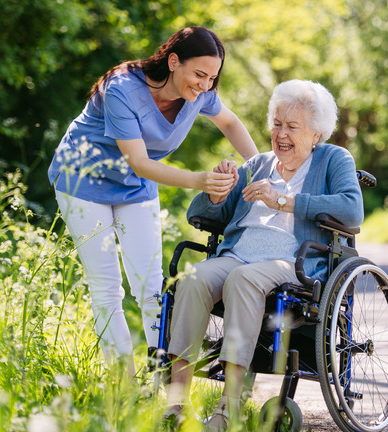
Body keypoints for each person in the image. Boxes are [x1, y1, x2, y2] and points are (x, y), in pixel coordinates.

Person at [47, 26, 258, 375]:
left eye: (212, 78)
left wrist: (263, 168)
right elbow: (140, 163)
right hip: (82, 181)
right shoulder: (122, 89)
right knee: (106, 286)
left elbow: (231, 123)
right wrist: (199, 180)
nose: (205, 85)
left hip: (134, 188)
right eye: (199, 75)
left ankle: (164, 377)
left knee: (150, 285)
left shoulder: (201, 94)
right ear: (173, 61)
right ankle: (123, 383)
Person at [165, 79, 364, 432]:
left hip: (293, 261)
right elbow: (204, 216)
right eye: (276, 124)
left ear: (315, 134)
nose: (281, 134)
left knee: (244, 279)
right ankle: (175, 404)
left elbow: (351, 210)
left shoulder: (334, 159)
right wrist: (218, 191)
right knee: (193, 279)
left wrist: (283, 201)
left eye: (292, 126)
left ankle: (229, 407)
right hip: (238, 254)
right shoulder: (257, 164)